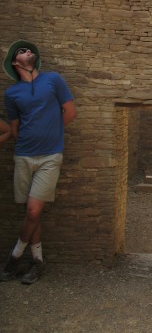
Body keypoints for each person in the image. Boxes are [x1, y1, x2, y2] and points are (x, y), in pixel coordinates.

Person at [0, 39, 77, 285]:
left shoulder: (53, 80)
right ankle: (38, 261)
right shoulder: (11, 93)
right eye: (21, 51)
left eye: (29, 49)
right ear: (15, 62)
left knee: (33, 210)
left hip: (50, 156)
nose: (27, 51)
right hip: (23, 155)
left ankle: (14, 258)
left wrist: (51, 132)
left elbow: (70, 112)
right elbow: (14, 128)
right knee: (31, 214)